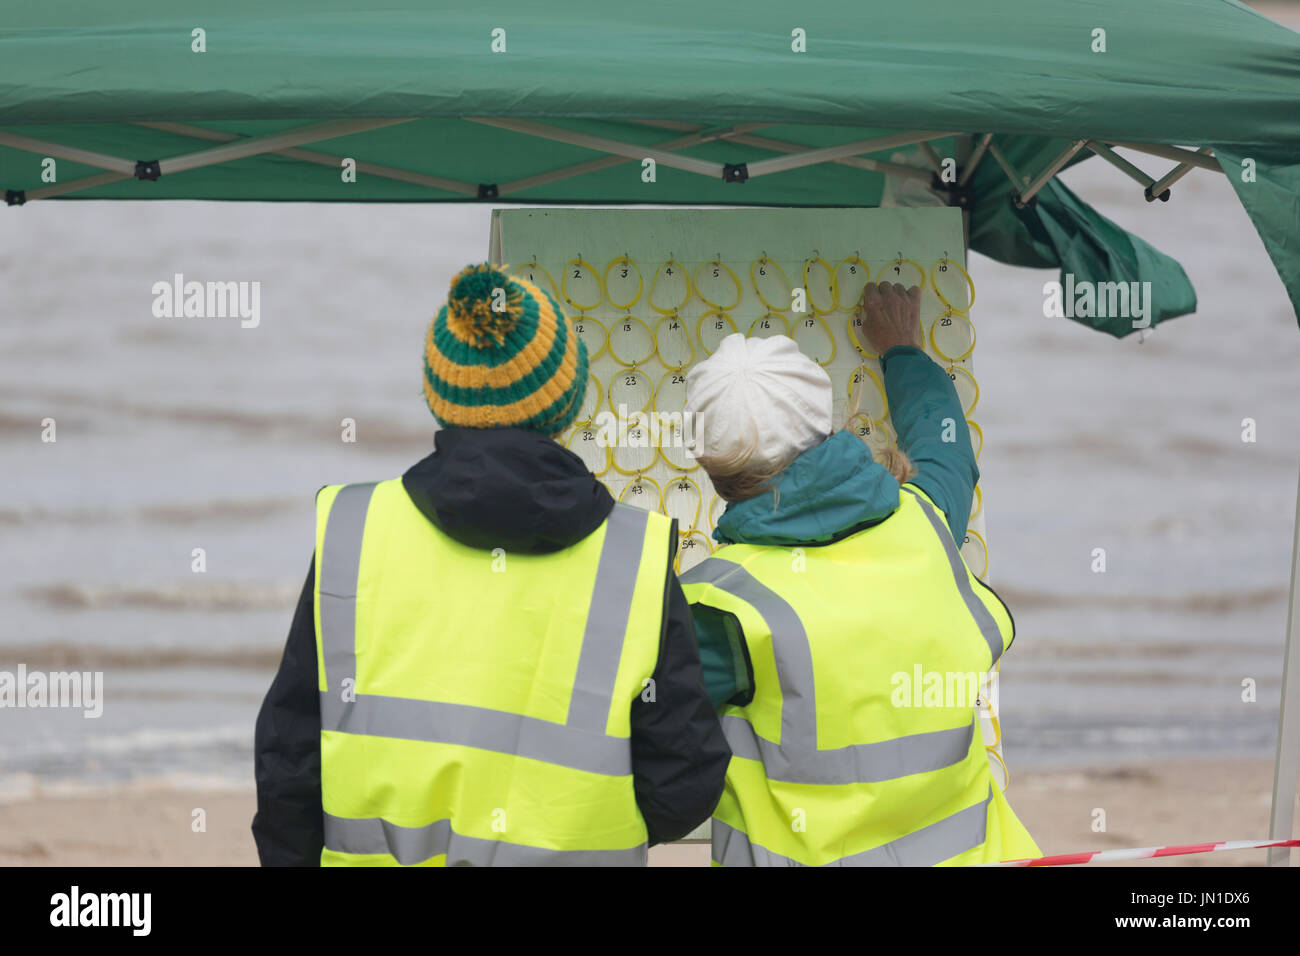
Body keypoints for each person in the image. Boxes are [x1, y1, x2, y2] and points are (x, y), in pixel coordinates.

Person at [252, 263, 729, 866]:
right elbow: (684, 782)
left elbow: (288, 763)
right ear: (568, 400)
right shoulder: (630, 558)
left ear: (438, 395)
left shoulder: (354, 531)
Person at [681, 281, 1040, 866]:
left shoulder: (720, 607)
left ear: (711, 468)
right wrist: (901, 348)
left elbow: (641, 722)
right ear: (827, 427)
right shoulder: (923, 524)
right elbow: (946, 448)